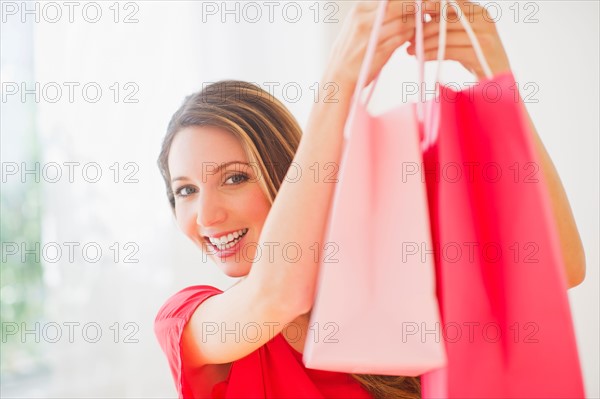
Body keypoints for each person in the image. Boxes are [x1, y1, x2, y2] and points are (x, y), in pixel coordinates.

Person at [154, 1, 586, 398]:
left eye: (234, 178)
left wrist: (497, 80)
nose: (207, 215)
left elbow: (558, 265)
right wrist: (339, 83)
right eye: (185, 190)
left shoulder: (390, 268)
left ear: (289, 174)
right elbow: (280, 295)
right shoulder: (187, 319)